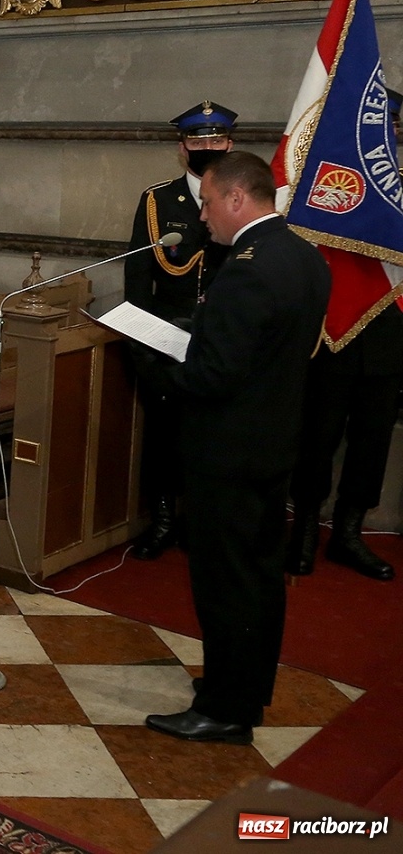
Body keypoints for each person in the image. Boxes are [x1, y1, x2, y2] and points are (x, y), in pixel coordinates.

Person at [140, 152, 328, 746]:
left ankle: (225, 708)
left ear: (236, 199)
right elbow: (261, 349)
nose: (202, 217)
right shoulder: (305, 257)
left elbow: (211, 377)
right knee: (257, 578)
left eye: (207, 203)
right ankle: (241, 688)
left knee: (227, 583)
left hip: (229, 452)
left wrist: (152, 359)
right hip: (271, 445)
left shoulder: (248, 267)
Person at [286, 87, 403, 582]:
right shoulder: (338, 175)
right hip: (335, 329)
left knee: (372, 440)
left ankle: (349, 533)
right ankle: (306, 528)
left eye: (397, 125)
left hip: (391, 332)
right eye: (384, 123)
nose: (391, 132)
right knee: (318, 436)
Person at [123, 100, 235, 560]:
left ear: (231, 144)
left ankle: (198, 521)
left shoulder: (241, 200)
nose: (206, 147)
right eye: (197, 140)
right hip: (167, 337)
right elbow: (137, 276)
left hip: (222, 341)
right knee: (164, 436)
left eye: (216, 140)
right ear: (181, 147)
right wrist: (143, 347)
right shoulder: (159, 201)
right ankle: (164, 518)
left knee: (213, 437)